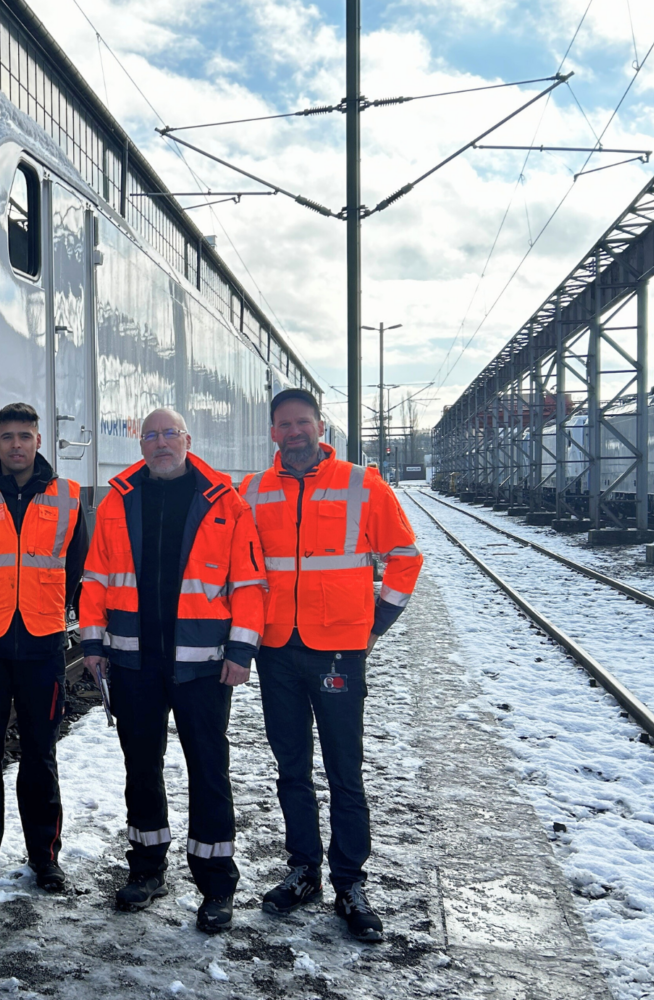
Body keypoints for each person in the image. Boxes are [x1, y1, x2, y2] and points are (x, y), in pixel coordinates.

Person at [241, 388, 423, 942]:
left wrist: (375, 625)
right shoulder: (253, 490)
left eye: (303, 422)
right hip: (277, 648)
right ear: (272, 432)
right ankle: (304, 870)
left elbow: (405, 557)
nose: (294, 432)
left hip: (339, 648)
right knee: (291, 767)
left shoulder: (362, 484)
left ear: (320, 427)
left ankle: (350, 882)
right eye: (284, 424)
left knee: (345, 770)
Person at [79, 408, 266, 933]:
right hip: (134, 660)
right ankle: (146, 869)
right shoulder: (118, 499)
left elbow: (249, 584)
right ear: (140, 444)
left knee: (208, 769)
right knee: (141, 767)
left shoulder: (224, 501)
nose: (161, 443)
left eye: (169, 434)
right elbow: (95, 576)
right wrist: (92, 642)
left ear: (187, 439)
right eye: (151, 435)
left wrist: (241, 651)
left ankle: (216, 885)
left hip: (203, 664)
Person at [0, 402, 88, 896]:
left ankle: (45, 858)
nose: (16, 445)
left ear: (38, 441)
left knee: (40, 755)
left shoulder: (67, 496)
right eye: (7, 436)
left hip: (42, 645)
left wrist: (50, 608)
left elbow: (76, 568)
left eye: (25, 436)